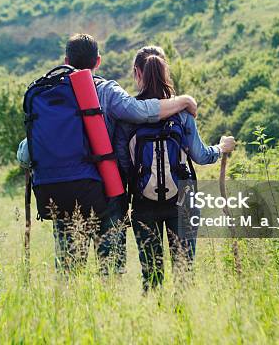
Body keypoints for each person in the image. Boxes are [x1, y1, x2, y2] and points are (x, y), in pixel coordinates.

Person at [17, 34, 199, 273]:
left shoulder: (49, 93)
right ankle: (109, 305)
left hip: (59, 196)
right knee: (111, 272)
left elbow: (25, 155)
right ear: (98, 61)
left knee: (68, 272)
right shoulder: (107, 90)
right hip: (105, 193)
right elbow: (141, 111)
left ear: (66, 60)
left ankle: (68, 308)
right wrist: (183, 100)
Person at [115, 46, 235, 291]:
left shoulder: (127, 117)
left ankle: (155, 321)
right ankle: (184, 322)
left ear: (137, 73)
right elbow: (200, 156)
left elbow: (123, 166)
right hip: (184, 199)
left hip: (143, 202)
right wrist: (221, 148)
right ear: (165, 71)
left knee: (152, 275)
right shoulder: (182, 113)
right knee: (184, 272)